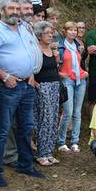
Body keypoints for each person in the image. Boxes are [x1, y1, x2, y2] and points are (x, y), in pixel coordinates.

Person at [0, 0, 44, 187]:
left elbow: (30, 51)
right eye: (10, 8)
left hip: (27, 85)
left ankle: (25, 164)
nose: (15, 12)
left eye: (17, 8)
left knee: (26, 127)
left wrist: (30, 72)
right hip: (8, 86)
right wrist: (4, 76)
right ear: (2, 11)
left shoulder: (24, 27)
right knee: (2, 130)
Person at [32, 21, 61, 166]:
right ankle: (41, 153)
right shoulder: (35, 50)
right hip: (43, 88)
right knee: (44, 120)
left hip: (54, 86)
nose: (50, 35)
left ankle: (49, 152)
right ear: (39, 34)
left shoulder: (52, 49)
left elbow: (55, 68)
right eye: (47, 33)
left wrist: (57, 58)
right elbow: (31, 71)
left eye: (51, 33)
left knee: (53, 119)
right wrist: (38, 86)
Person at [57, 21, 88, 153]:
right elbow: (55, 64)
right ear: (65, 31)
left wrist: (84, 72)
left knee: (77, 112)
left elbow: (81, 62)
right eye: (70, 30)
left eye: (75, 30)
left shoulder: (78, 45)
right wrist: (59, 74)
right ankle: (61, 141)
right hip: (67, 80)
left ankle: (75, 141)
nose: (73, 32)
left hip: (80, 80)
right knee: (68, 112)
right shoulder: (60, 46)